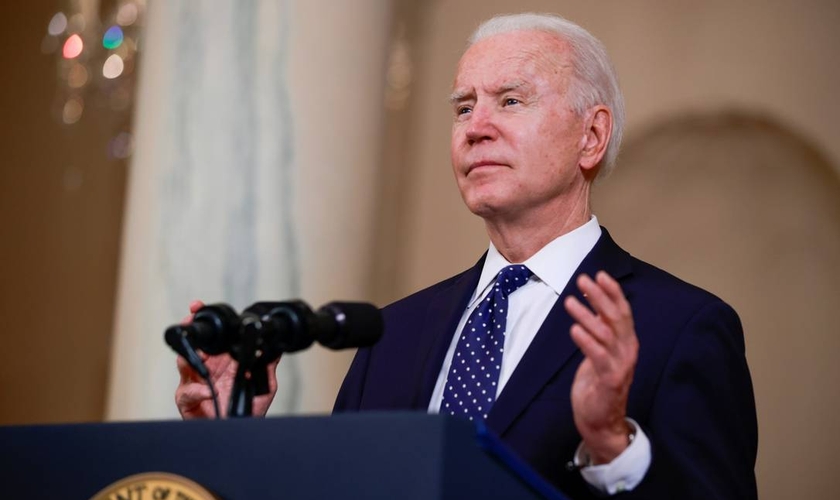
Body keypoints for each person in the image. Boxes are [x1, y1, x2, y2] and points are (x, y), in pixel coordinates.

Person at [176, 13, 757, 499]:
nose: (475, 128)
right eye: (462, 107)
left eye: (510, 101)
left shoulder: (679, 326)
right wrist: (233, 439)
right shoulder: (392, 334)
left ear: (591, 136)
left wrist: (613, 445)